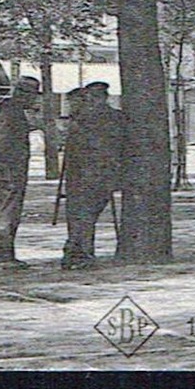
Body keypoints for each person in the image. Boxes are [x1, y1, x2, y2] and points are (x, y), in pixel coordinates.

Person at [61, 83, 127, 270]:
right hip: (90, 174)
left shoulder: (89, 118)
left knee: (83, 214)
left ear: (103, 97)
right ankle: (79, 252)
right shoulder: (105, 117)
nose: (91, 101)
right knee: (83, 214)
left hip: (95, 174)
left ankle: (78, 251)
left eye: (94, 97)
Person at [0, 76, 42, 266]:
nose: (34, 99)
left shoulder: (11, 109)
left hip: (9, 168)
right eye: (33, 95)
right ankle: (4, 256)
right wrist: (8, 169)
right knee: (9, 212)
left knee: (10, 211)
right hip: (10, 170)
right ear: (23, 93)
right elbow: (3, 141)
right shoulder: (11, 110)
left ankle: (5, 254)